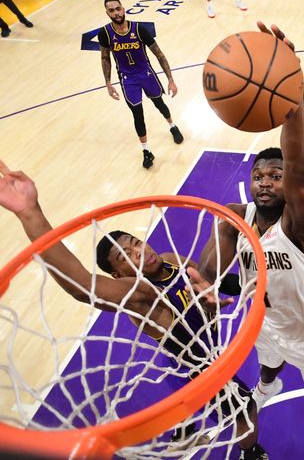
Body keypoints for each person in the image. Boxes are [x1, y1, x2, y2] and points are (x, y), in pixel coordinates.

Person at [0, 160, 268, 460]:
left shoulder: (168, 259)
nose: (139, 251)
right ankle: (251, 453)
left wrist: (255, 284)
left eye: (135, 242)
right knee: (246, 410)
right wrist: (30, 213)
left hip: (198, 356)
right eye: (125, 256)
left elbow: (209, 279)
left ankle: (183, 421)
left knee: (183, 399)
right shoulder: (140, 296)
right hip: (199, 368)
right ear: (119, 275)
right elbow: (80, 285)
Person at [200, 23, 304, 414]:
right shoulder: (235, 217)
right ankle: (268, 384)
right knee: (266, 359)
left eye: (275, 176)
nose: (265, 182)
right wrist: (202, 283)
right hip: (265, 318)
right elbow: (209, 269)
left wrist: (290, 94)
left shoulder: (303, 226)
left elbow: (300, 167)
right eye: (258, 175)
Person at [98, 0, 183, 169]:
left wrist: (171, 80)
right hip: (128, 79)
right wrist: (108, 83)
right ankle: (146, 150)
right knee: (138, 114)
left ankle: (172, 126)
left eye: (118, 8)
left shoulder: (139, 29)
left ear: (123, 8)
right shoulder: (105, 33)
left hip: (146, 73)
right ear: (107, 13)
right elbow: (105, 58)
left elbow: (159, 54)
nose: (116, 13)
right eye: (112, 10)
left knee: (160, 104)